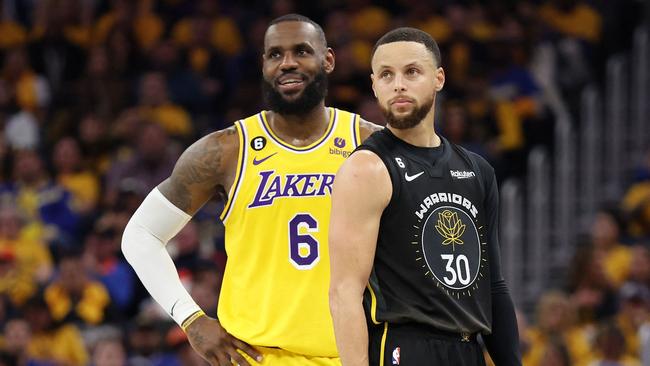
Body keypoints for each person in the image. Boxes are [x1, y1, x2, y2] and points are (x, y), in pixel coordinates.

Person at [121, 14, 380, 366]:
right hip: (254, 356)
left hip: (351, 354)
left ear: (328, 60)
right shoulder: (226, 150)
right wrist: (191, 319)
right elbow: (140, 234)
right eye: (275, 54)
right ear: (263, 65)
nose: (287, 63)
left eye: (301, 51)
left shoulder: (371, 144)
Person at [328, 27, 521, 366]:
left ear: (439, 78)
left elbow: (494, 287)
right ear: (374, 85)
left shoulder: (477, 170)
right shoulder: (367, 168)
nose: (398, 84)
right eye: (386, 75)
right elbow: (344, 293)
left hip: (468, 348)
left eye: (412, 71)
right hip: (404, 346)